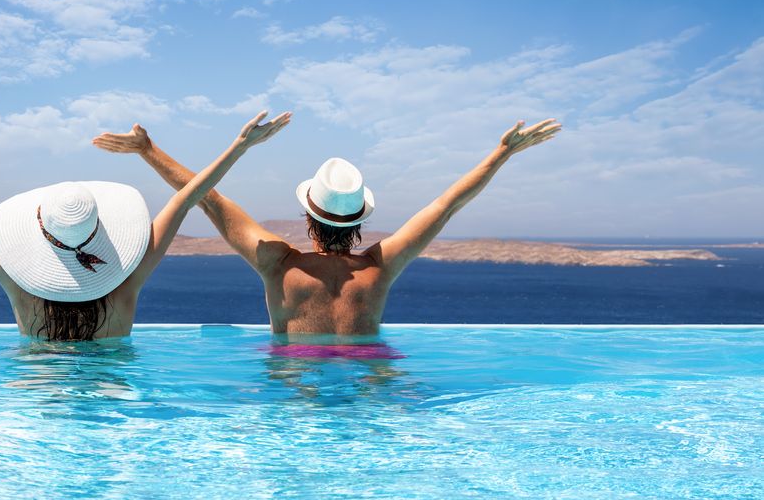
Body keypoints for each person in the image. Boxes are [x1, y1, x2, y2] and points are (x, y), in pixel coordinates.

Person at [0, 110, 291, 340]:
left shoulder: (19, 289)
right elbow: (189, 197)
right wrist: (239, 146)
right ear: (101, 229)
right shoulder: (127, 284)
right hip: (115, 408)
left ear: (38, 236)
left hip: (33, 407)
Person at [93, 118, 561, 338]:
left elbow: (207, 199)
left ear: (308, 214)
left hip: (297, 382)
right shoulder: (379, 266)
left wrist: (147, 149)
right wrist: (502, 153)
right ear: (361, 221)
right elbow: (446, 204)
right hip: (373, 377)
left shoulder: (277, 263)